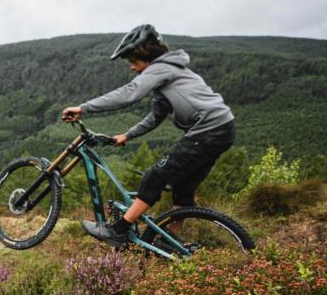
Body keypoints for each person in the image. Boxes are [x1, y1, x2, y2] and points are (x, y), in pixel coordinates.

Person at [62, 24, 235, 246]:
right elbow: (155, 117)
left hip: (209, 130)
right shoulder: (171, 72)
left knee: (155, 175)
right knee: (182, 186)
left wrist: (83, 108)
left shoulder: (160, 68)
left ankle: (118, 230)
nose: (132, 67)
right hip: (223, 128)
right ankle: (170, 240)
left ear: (145, 55)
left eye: (133, 61)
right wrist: (128, 135)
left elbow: (129, 93)